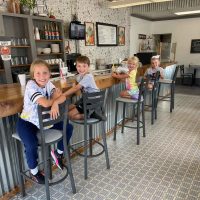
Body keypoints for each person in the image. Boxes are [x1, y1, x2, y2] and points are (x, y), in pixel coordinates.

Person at [16, 59, 73, 184]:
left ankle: (58, 154)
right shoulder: (31, 86)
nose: (42, 76)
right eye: (38, 73)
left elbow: (62, 96)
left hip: (46, 120)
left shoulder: (49, 84)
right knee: (31, 144)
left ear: (50, 74)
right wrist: (54, 100)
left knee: (68, 128)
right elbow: (45, 103)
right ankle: (34, 172)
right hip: (27, 122)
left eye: (45, 73)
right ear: (33, 75)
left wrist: (56, 103)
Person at [63, 55, 105, 121]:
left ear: (88, 67)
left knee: (70, 114)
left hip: (92, 102)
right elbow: (75, 82)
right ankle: (90, 113)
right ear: (76, 67)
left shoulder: (88, 76)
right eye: (79, 66)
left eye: (84, 66)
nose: (81, 69)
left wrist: (63, 94)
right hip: (86, 99)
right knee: (67, 109)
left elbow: (76, 88)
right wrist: (73, 84)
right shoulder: (79, 76)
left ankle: (91, 114)